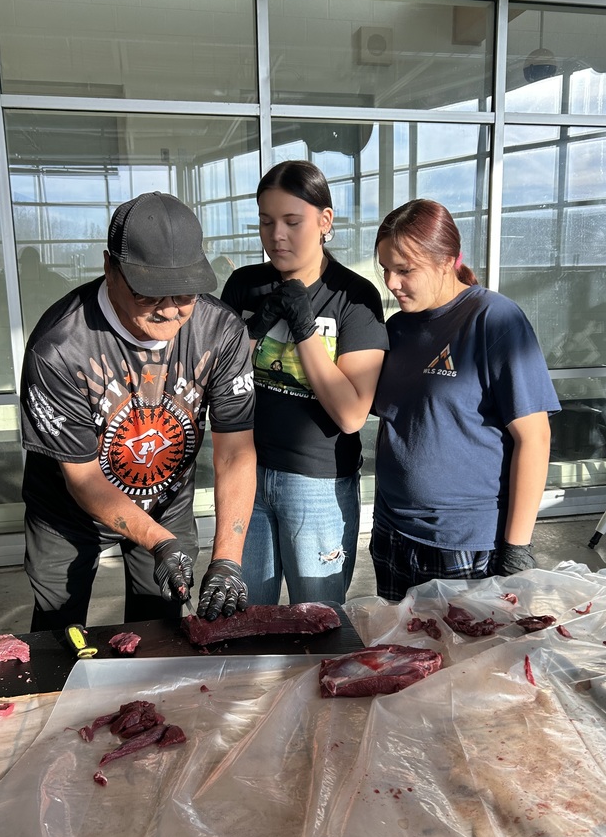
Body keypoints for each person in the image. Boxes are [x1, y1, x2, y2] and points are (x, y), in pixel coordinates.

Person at [20, 191, 257, 631]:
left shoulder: (221, 331)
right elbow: (84, 478)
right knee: (58, 633)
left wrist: (228, 559)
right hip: (67, 512)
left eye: (185, 292)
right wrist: (159, 542)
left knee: (160, 631)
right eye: (150, 293)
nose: (170, 310)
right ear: (111, 269)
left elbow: (235, 453)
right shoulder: (58, 349)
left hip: (166, 500)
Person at [371, 198, 560, 602]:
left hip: (463, 543)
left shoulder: (493, 319)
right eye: (385, 269)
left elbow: (535, 438)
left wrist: (517, 548)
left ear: (447, 261)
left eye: (405, 270)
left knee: (465, 662)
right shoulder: (398, 329)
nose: (391, 282)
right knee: (401, 656)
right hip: (392, 530)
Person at [220, 160, 388, 606]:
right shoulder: (244, 285)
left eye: (292, 222)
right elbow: (213, 379)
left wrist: (303, 326)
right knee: (246, 617)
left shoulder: (354, 297)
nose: (277, 235)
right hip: (246, 475)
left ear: (324, 221)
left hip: (318, 485)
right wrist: (256, 327)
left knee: (318, 617)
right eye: (266, 221)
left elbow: (351, 414)